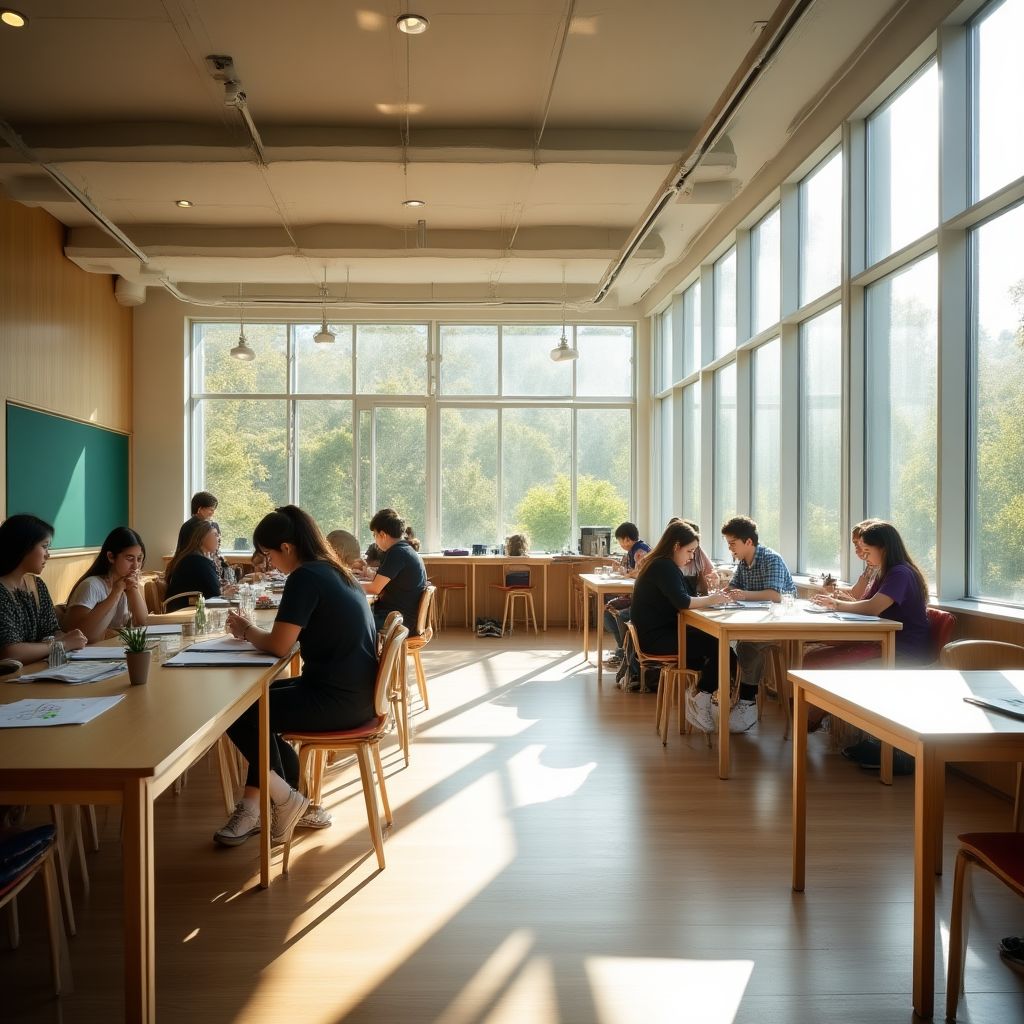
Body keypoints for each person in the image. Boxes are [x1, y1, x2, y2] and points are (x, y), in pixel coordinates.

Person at [218, 505, 377, 847]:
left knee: (236, 711)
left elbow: (279, 646)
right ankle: (281, 800)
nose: (270, 562)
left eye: (269, 554)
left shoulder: (305, 577)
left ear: (287, 547)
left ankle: (284, 799)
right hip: (355, 694)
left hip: (337, 700)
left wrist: (246, 630)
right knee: (251, 704)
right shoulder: (334, 571)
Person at [812, 520, 931, 766]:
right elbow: (867, 605)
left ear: (883, 548)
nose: (864, 556)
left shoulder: (900, 573)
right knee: (815, 657)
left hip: (902, 651)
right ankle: (810, 721)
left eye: (867, 551)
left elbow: (873, 608)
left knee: (825, 664)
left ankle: (807, 722)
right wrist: (841, 603)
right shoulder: (885, 571)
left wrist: (836, 604)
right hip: (883, 643)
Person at [630, 521, 730, 708]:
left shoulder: (661, 564)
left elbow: (685, 597)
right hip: (657, 640)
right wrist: (713, 599)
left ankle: (701, 696)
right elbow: (683, 602)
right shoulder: (663, 566)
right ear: (676, 546)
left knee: (718, 647)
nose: (692, 557)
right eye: (690, 551)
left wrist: (709, 596)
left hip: (657, 635)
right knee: (722, 649)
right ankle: (701, 699)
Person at [721, 515, 796, 733]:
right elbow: (733, 587)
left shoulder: (771, 559)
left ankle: (747, 702)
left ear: (748, 542)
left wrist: (742, 594)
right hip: (755, 621)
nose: (730, 549)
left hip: (779, 623)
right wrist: (722, 592)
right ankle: (733, 695)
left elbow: (774, 595)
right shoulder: (743, 562)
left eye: (732, 544)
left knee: (746, 645)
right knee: (727, 643)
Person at [0, 514, 87, 663]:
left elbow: (51, 632)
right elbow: (10, 653)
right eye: (44, 547)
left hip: (36, 670)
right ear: (24, 546)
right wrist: (63, 644)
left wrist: (67, 637)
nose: (48, 555)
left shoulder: (37, 585)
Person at [63, 527, 149, 643]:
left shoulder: (129, 584)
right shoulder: (91, 585)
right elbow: (81, 634)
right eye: (129, 558)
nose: (135, 566)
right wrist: (116, 593)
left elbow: (143, 622)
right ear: (111, 557)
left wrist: (133, 589)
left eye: (139, 559)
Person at [363, 508, 427, 634]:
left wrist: (346, 584)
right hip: (402, 617)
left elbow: (375, 588)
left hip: (397, 621)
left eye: (374, 535)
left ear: (382, 535)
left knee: (349, 620)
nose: (375, 540)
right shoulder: (405, 549)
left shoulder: (397, 553)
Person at [602, 522, 651, 671]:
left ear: (627, 539)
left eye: (620, 541)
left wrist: (627, 573)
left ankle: (624, 652)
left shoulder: (640, 551)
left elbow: (640, 572)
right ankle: (622, 649)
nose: (621, 544)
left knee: (617, 613)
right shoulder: (633, 550)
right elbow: (632, 570)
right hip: (633, 593)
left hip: (642, 596)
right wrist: (624, 570)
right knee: (608, 609)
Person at [164, 520, 224, 611]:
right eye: (215, 534)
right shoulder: (197, 561)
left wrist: (222, 591)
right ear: (203, 537)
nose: (218, 538)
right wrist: (224, 593)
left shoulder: (191, 558)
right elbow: (215, 594)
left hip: (187, 609)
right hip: (184, 613)